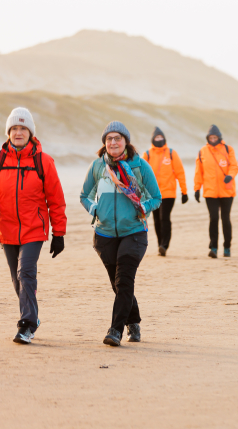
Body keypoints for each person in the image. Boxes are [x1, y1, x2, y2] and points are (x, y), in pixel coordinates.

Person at [0, 108, 67, 344]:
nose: (18, 132)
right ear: (8, 132)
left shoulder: (43, 161)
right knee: (17, 280)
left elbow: (56, 199)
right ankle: (32, 317)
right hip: (6, 228)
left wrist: (59, 233)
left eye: (23, 128)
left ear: (30, 133)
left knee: (25, 272)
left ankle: (26, 324)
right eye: (14, 128)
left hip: (34, 228)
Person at [80, 121, 162, 346]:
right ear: (104, 143)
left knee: (124, 280)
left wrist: (142, 207)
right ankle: (133, 321)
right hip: (104, 234)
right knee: (118, 284)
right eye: (109, 139)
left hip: (134, 231)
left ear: (126, 141)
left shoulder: (139, 166)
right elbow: (84, 195)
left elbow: (156, 197)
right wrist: (93, 208)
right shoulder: (98, 166)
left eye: (117, 138)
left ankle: (115, 330)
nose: (113, 142)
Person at [194, 125, 238, 258]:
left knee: (225, 219)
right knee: (213, 218)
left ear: (219, 137)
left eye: (215, 137)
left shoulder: (228, 149)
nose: (213, 139)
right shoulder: (203, 151)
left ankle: (227, 247)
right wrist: (197, 188)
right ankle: (213, 247)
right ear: (208, 138)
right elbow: (199, 172)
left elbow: (234, 166)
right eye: (211, 138)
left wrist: (231, 175)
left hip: (227, 191)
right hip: (210, 191)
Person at [142, 127, 188, 256]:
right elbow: (139, 173)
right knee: (156, 219)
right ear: (152, 139)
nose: (159, 139)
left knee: (164, 218)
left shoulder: (171, 153)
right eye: (156, 137)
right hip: (152, 194)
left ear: (164, 139)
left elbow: (180, 173)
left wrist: (184, 192)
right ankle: (160, 245)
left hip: (168, 193)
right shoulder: (147, 154)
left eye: (161, 137)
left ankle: (165, 245)